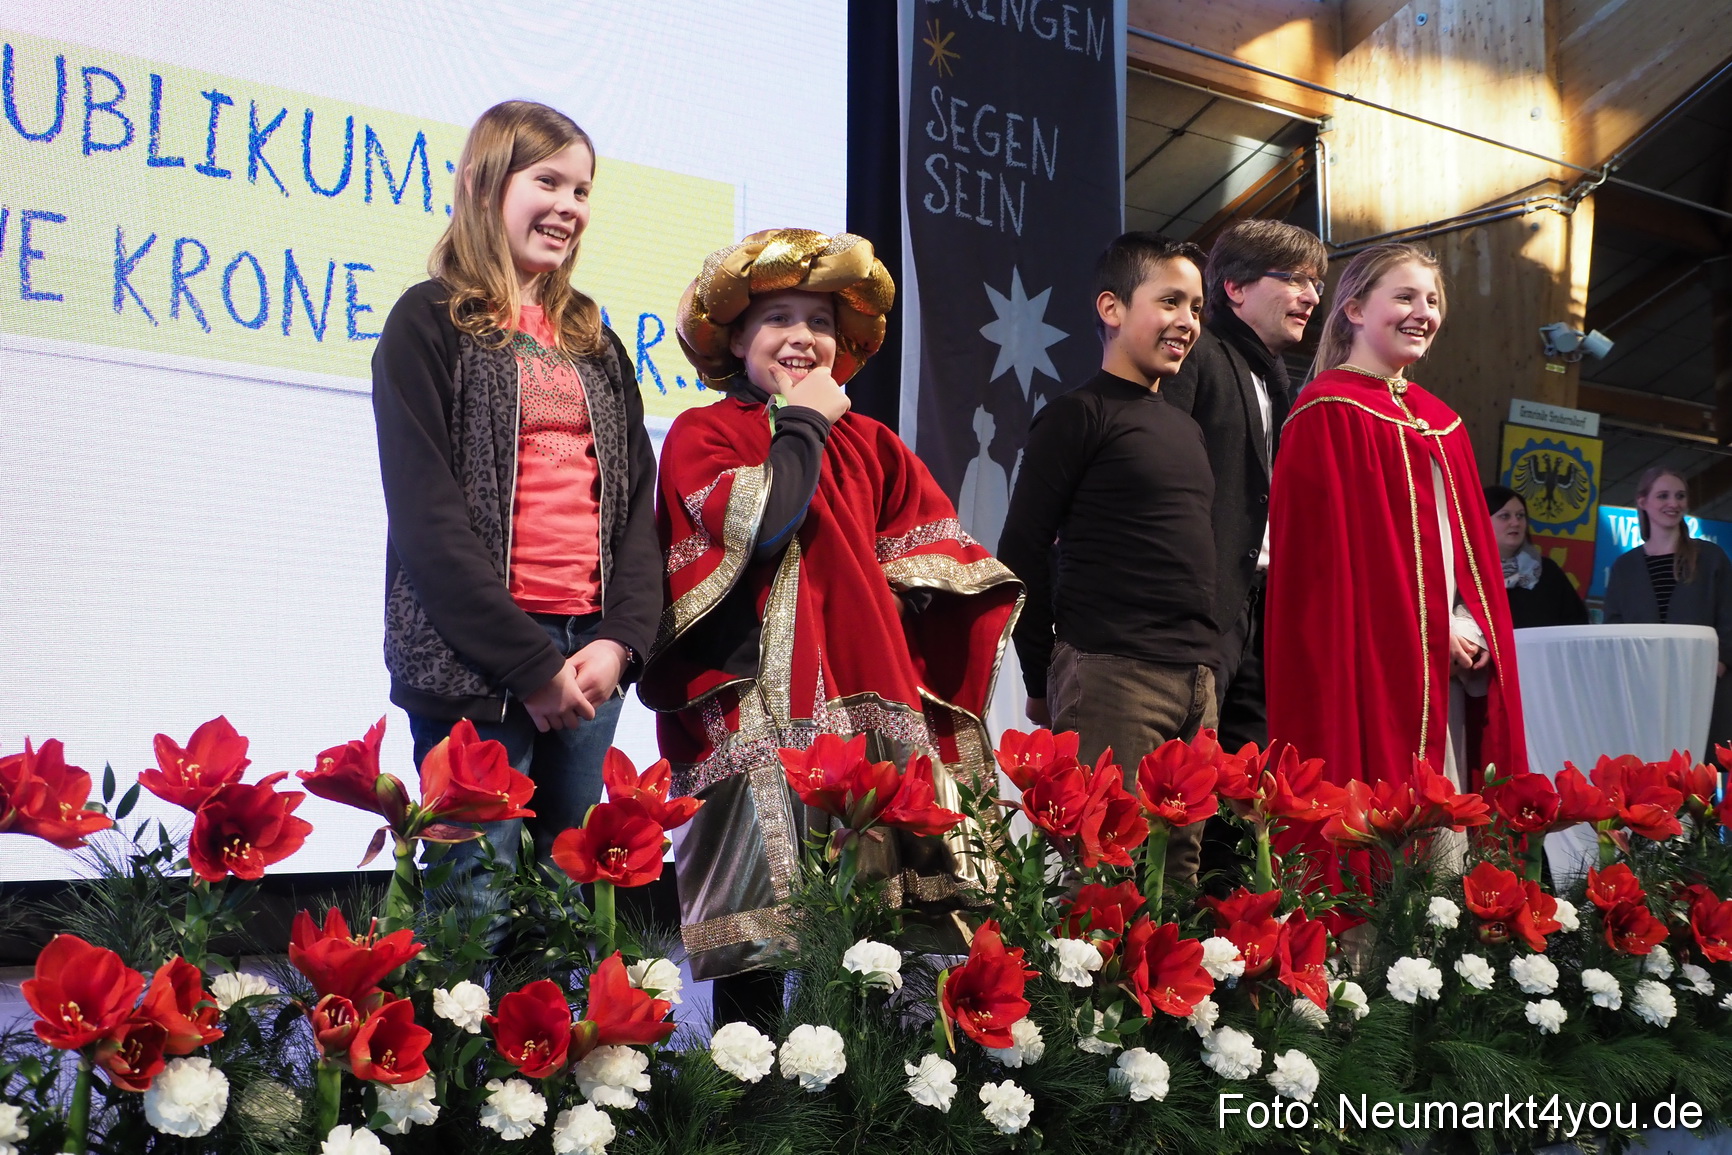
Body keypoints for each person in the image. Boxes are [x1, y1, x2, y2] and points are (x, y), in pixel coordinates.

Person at [642, 229, 1022, 1021]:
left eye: (818, 322)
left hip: (861, 710)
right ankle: (756, 1114)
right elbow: (768, 521)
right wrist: (804, 424)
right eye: (778, 318)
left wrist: (913, 593)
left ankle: (861, 1110)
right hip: (756, 715)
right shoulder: (704, 434)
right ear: (736, 338)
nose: (801, 338)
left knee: (870, 946)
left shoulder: (874, 444)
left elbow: (934, 554)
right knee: (763, 948)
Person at [370, 102, 661, 896]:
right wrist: (530, 665)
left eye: (583, 190)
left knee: (560, 911)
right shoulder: (427, 324)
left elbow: (639, 505)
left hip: (587, 658)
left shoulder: (594, 339)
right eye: (549, 181)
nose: (570, 207)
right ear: (482, 182)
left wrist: (621, 641)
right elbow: (428, 523)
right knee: (477, 905)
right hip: (477, 664)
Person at [1265, 243, 1526, 886]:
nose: (1423, 313)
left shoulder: (1444, 423)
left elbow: (1466, 556)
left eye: (1432, 301)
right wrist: (1434, 626)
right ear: (1353, 308)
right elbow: (1324, 580)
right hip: (1376, 666)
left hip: (1447, 671)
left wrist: (1467, 619)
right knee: (1378, 847)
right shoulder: (1329, 412)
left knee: (1450, 851)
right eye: (1404, 297)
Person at [997, 232, 1217, 884]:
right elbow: (1022, 550)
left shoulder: (1185, 426)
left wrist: (1210, 668)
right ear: (1112, 308)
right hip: (1114, 671)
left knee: (1177, 878)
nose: (1187, 322)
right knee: (1104, 875)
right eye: (1170, 300)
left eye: (1198, 308)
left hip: (1194, 679)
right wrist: (1041, 677)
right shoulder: (1076, 416)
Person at [1166, 220, 1327, 751]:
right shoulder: (1195, 356)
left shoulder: (1278, 379)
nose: (1310, 297)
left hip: (1265, 608)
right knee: (1189, 772)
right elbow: (1162, 482)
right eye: (1296, 280)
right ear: (1234, 288)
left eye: (1318, 285)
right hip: (1202, 608)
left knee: (1251, 782)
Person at [1603, 466, 1732, 746]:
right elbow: (1613, 628)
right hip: (1644, 691)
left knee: (1701, 771)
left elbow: (1728, 616)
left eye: (1680, 496)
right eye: (1663, 496)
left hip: (1702, 686)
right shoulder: (1625, 567)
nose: (1673, 503)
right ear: (1642, 502)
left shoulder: (1710, 558)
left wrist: (1718, 664)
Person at [1484, 484, 1588, 629]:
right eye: (1505, 516)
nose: (1515, 523)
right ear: (1480, 522)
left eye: (1520, 515)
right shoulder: (1465, 573)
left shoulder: (1547, 572)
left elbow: (1576, 626)